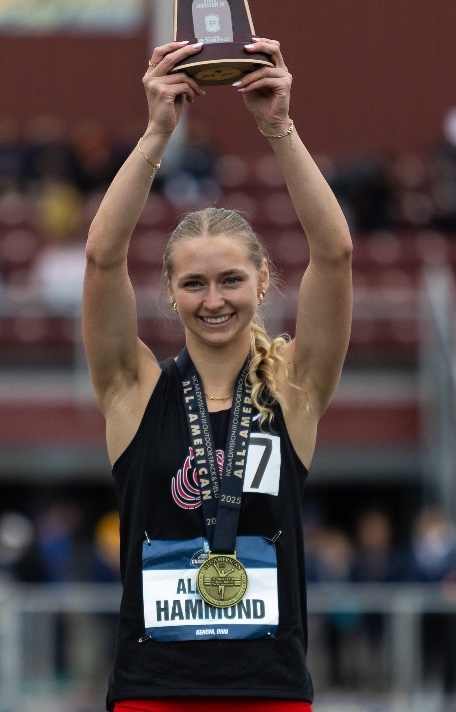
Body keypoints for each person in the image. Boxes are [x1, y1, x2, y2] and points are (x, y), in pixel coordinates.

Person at [83, 39, 352, 711]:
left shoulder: (292, 391)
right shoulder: (134, 390)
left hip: (269, 690)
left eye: (231, 279)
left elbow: (336, 253)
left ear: (262, 283)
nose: (214, 299)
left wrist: (279, 128)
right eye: (195, 283)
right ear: (170, 294)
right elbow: (101, 257)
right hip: (152, 693)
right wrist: (155, 133)